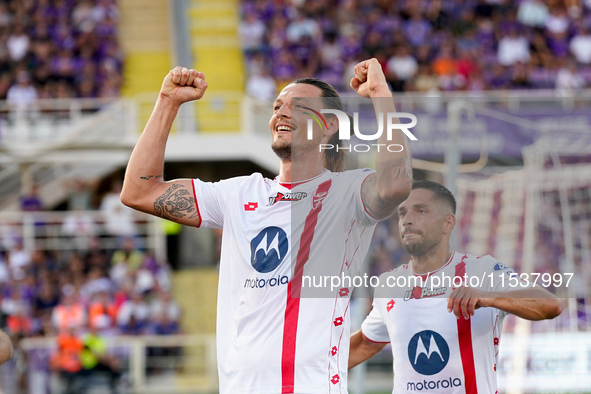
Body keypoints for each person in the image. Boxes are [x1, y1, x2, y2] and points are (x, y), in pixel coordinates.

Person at [120, 58, 413, 393]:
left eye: (298, 106)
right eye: (277, 106)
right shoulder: (238, 194)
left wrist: (380, 93)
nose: (281, 112)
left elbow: (395, 184)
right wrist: (167, 102)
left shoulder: (347, 193)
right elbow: (139, 191)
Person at [348, 180, 562, 393]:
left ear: (448, 223)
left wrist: (485, 297)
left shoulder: (482, 270)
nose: (407, 220)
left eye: (420, 211)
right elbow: (364, 344)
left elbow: (550, 305)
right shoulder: (389, 284)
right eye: (402, 213)